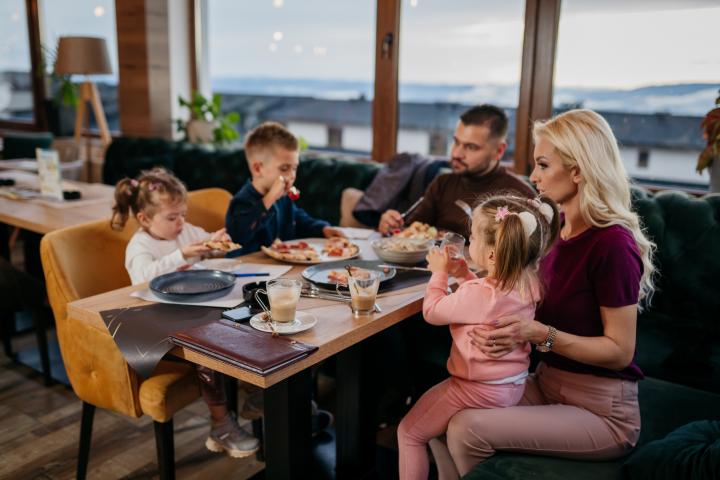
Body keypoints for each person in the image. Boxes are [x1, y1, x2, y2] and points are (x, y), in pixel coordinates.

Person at [434, 109, 657, 478]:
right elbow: (514, 292)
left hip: (601, 411)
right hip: (546, 383)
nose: (533, 176)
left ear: (579, 170)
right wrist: (465, 275)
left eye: (542, 164)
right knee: (439, 416)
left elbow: (620, 352)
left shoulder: (612, 244)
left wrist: (537, 334)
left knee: (465, 427)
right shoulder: (557, 231)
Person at [396, 194, 559, 479]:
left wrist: (439, 274)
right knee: (436, 433)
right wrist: (463, 274)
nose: (470, 241)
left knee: (409, 432)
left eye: (473, 237)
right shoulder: (528, 285)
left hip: (474, 388)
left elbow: (432, 311)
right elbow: (485, 304)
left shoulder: (479, 294)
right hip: (510, 385)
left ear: (492, 255)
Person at [111, 167, 261, 458]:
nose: (181, 223)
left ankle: (254, 391)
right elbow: (143, 277)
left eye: (183, 214)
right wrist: (182, 256)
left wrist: (216, 243)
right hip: (156, 324)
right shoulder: (140, 245)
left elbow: (207, 244)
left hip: (195, 311)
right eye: (172, 217)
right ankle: (221, 423)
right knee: (209, 346)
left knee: (246, 321)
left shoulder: (186, 231)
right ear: (144, 219)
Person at [378, 105, 535, 239]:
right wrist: (391, 225)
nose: (456, 154)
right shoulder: (443, 183)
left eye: (471, 147)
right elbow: (408, 232)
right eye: (456, 142)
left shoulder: (521, 197)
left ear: (499, 151)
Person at [226, 121, 343, 253]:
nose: (292, 175)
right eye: (284, 168)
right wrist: (269, 199)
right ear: (258, 169)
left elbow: (298, 219)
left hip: (282, 267)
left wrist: (322, 229)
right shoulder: (242, 201)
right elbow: (239, 235)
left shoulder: (282, 197)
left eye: (294, 168)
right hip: (249, 269)